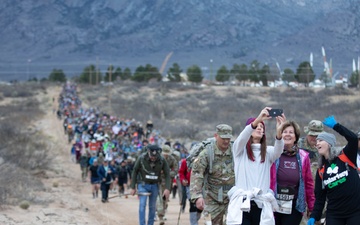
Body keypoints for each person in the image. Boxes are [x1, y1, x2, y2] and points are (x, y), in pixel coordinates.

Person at [227, 107, 285, 225]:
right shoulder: (239, 150)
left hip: (261, 205)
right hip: (243, 204)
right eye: (257, 126)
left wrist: (279, 133)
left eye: (262, 126)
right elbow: (242, 138)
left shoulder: (268, 152)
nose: (259, 127)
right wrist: (257, 120)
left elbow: (279, 150)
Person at [308, 116, 360, 225]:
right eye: (316, 141)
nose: (317, 143)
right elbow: (320, 198)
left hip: (355, 211)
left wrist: (336, 126)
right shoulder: (321, 170)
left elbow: (354, 139)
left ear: (329, 143)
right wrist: (314, 216)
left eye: (320, 140)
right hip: (334, 214)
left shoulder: (345, 156)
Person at [270, 120, 315, 225]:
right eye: (285, 132)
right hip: (273, 203)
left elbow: (308, 183)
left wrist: (312, 206)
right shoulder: (272, 153)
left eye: (291, 132)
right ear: (280, 134)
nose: (287, 135)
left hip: (294, 204)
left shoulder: (304, 156)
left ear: (296, 136)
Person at [190, 124, 235, 225]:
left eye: (228, 138)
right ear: (216, 136)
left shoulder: (235, 151)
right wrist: (197, 196)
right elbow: (197, 174)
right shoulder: (207, 153)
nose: (226, 141)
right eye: (223, 138)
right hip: (212, 197)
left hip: (232, 197)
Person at [129, 144, 171, 225]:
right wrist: (132, 186)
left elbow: (167, 174)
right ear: (148, 152)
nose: (153, 158)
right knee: (142, 205)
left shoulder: (162, 160)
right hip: (143, 185)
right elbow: (135, 171)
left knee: (152, 207)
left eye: (155, 157)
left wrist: (167, 188)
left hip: (155, 185)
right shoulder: (141, 158)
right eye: (152, 156)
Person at [156, 145, 179, 224]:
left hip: (167, 181)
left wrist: (167, 173)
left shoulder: (172, 159)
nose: (165, 155)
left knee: (164, 198)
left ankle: (163, 210)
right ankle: (160, 216)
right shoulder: (157, 158)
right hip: (157, 180)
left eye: (167, 154)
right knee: (158, 198)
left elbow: (176, 170)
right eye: (164, 154)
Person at [179, 157, 202, 225]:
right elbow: (181, 172)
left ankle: (195, 219)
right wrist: (183, 180)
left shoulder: (203, 160)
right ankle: (193, 223)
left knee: (200, 206)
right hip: (190, 186)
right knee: (193, 204)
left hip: (201, 186)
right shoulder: (185, 161)